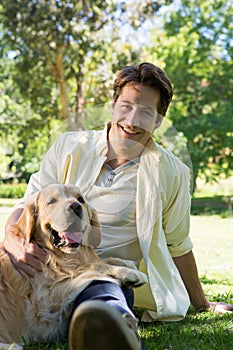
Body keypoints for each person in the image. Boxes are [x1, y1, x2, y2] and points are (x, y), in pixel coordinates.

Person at [4, 62, 233, 350]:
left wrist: (202, 304)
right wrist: (12, 239)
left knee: (105, 292)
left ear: (159, 120)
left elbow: (178, 244)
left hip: (106, 275)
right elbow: (28, 202)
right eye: (126, 106)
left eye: (146, 112)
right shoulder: (68, 147)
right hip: (47, 268)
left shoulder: (172, 172)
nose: (132, 120)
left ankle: (109, 327)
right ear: (113, 105)